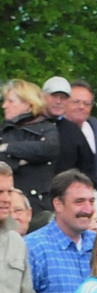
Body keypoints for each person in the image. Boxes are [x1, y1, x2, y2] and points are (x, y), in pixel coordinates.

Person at [0, 80, 60, 216]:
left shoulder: (47, 128)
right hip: (7, 204)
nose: (4, 106)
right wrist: (24, 160)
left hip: (38, 204)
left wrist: (8, 147)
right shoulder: (3, 131)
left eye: (10, 101)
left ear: (27, 104)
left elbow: (49, 149)